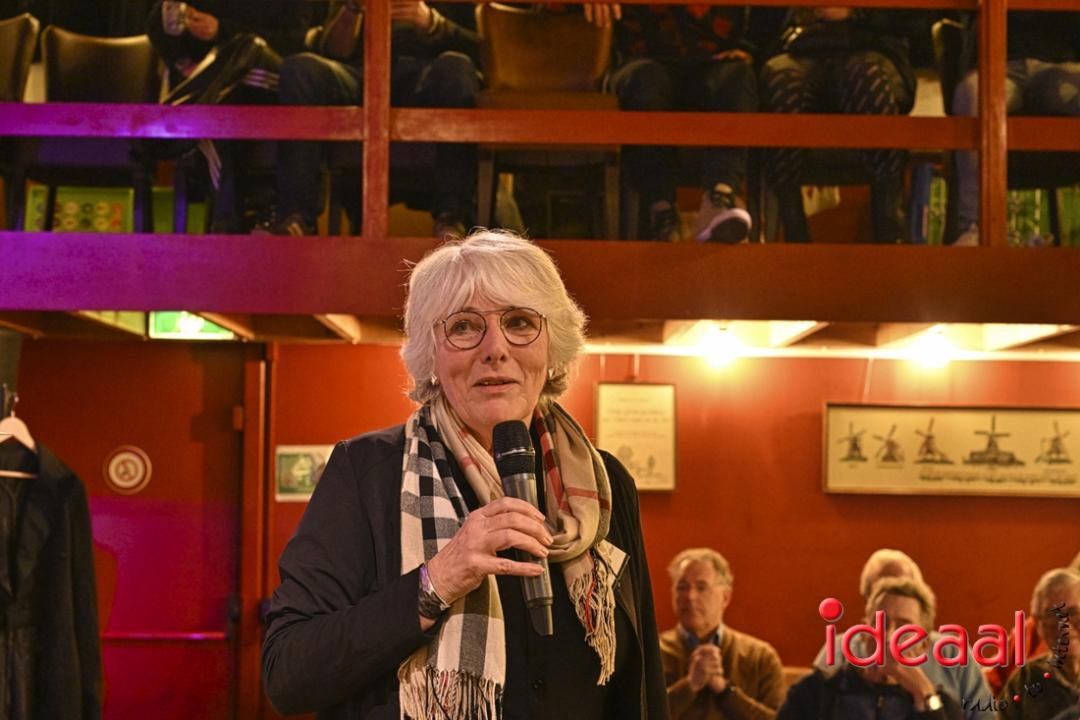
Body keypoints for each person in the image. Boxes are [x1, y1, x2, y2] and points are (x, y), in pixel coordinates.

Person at [261, 229, 669, 719]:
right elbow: (287, 673)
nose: (495, 348)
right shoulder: (366, 473)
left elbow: (641, 685)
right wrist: (437, 580)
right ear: (431, 354)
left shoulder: (605, 482)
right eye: (464, 326)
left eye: (519, 322)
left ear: (552, 347)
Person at [259, 0, 480, 238]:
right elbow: (332, 50)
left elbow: (481, 47)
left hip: (429, 73)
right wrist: (353, 9)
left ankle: (453, 217)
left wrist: (433, 22)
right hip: (359, 73)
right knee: (301, 68)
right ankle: (296, 217)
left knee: (456, 67)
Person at [759, 8, 925, 244]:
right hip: (801, 46)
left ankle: (889, 231)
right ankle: (793, 232)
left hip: (873, 46)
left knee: (867, 78)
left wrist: (856, 12)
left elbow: (915, 19)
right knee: (781, 81)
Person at [609, 4, 761, 242]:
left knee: (738, 76)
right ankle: (660, 210)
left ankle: (720, 198)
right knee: (648, 81)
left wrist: (748, 50)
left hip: (711, 63)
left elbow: (763, 23)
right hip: (639, 61)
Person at [812, 549, 994, 720]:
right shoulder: (840, 649)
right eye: (882, 590)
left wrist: (924, 692)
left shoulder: (952, 652)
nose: (889, 636)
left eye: (905, 588)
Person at [948, 11, 1080, 246]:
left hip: (1063, 63)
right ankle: (976, 226)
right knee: (973, 94)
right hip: (998, 63)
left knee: (1064, 89)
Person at [779, 577, 964, 720]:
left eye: (903, 627)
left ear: (923, 645)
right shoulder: (814, 692)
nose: (888, 636)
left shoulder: (944, 708)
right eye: (880, 622)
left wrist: (924, 694)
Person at [661, 548, 784, 719]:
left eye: (701, 588)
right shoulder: (651, 652)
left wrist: (725, 691)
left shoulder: (760, 656)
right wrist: (690, 685)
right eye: (682, 587)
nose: (690, 596)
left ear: (726, 596)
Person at [998, 568, 1080, 720]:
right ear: (1038, 625)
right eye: (1053, 615)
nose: (1065, 626)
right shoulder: (1025, 680)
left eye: (1074, 612)